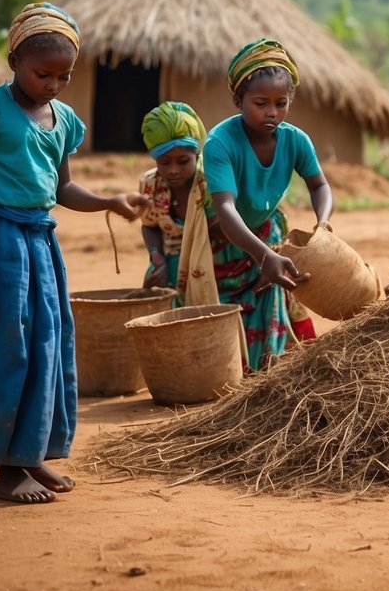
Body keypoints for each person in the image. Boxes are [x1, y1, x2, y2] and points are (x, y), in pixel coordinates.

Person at [0, 2, 145, 504]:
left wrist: (108, 202)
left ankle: (29, 454)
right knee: (5, 346)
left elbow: (62, 189)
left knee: (48, 345)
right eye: (42, 73)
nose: (52, 84)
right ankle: (5, 471)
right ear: (13, 61)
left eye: (64, 75)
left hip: (40, 243)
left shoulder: (65, 119)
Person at [202, 38, 332, 371]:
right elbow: (225, 210)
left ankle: (266, 372)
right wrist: (264, 255)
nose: (272, 112)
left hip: (267, 231)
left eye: (281, 103)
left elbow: (319, 185)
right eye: (261, 103)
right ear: (238, 100)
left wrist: (323, 223)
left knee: (273, 299)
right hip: (225, 240)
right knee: (227, 312)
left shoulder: (295, 140)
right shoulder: (220, 142)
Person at [138, 101, 221, 307]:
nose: (173, 170)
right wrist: (158, 260)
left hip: (216, 261)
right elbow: (149, 227)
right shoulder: (150, 185)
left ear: (197, 155)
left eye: (183, 161)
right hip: (171, 262)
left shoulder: (212, 183)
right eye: (165, 163)